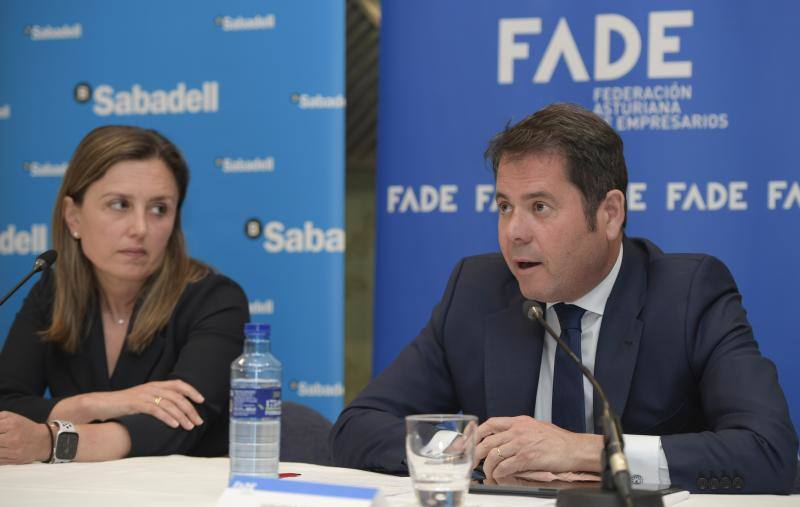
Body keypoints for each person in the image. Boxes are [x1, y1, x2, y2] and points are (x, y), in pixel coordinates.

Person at [330, 103, 798, 493]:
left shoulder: (688, 294)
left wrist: (588, 452)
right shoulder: (476, 290)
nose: (514, 232)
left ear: (609, 214)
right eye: (504, 207)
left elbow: (768, 451)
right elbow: (359, 425)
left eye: (540, 207)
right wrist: (475, 453)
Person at [0, 125, 249, 464]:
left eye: (159, 209)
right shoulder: (53, 292)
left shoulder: (216, 300)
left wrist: (52, 441)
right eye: (120, 205)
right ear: (73, 217)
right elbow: (7, 404)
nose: (140, 228)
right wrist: (102, 403)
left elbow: (179, 423)